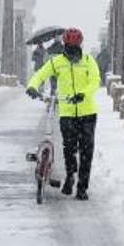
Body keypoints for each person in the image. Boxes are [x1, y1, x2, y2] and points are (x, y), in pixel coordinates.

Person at [26, 28, 100, 200]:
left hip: (87, 112)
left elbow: (95, 81)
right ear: (65, 46)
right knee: (69, 148)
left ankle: (82, 187)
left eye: (75, 48)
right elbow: (41, 74)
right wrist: (32, 86)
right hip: (67, 112)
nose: (72, 52)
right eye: (69, 47)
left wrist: (83, 94)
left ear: (80, 45)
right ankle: (70, 175)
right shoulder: (57, 62)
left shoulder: (89, 61)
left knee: (86, 151)